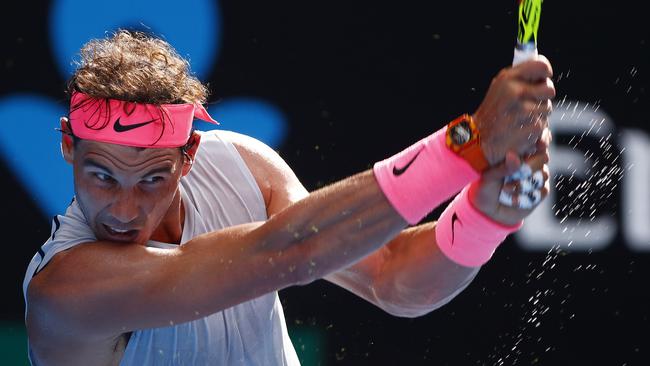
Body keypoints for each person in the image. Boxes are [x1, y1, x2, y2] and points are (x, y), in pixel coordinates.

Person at [23, 30, 554, 365]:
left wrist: (486, 215)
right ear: (68, 147)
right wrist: (469, 142)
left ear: (188, 157)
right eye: (103, 176)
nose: (124, 209)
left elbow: (394, 279)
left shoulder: (242, 168)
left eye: (152, 180)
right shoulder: (64, 290)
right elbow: (290, 253)